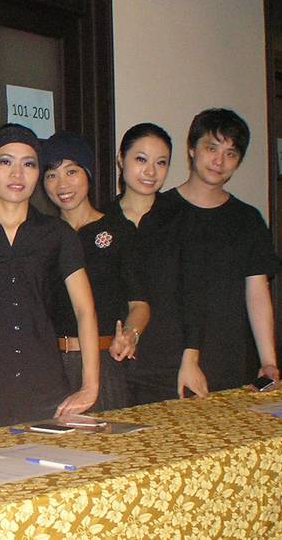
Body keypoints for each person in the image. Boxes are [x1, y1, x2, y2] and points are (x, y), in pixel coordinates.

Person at [0, 124, 99, 435]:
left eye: (29, 164)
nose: (17, 174)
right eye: (5, 162)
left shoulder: (58, 235)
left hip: (46, 390)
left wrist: (90, 386)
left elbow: (85, 311)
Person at [168, 108, 279, 393]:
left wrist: (268, 362)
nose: (219, 161)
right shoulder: (160, 212)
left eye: (231, 153)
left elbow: (257, 291)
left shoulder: (248, 220)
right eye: (212, 148)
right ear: (192, 149)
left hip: (231, 358)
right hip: (168, 359)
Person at [40, 131, 150, 410]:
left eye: (71, 172)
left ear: (88, 174)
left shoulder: (118, 230)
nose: (62, 184)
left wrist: (131, 334)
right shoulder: (43, 237)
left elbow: (140, 304)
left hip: (104, 361)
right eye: (51, 175)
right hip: (49, 364)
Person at [105, 123, 201, 403]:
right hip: (113, 361)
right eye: (141, 159)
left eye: (161, 163)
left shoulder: (182, 218)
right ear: (121, 159)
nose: (150, 171)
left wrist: (191, 359)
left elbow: (194, 294)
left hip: (169, 361)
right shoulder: (101, 219)